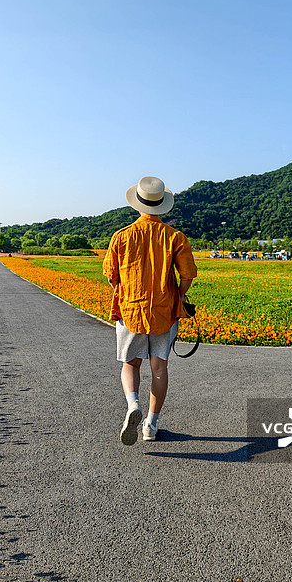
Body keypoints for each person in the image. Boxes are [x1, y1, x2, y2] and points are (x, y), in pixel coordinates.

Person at [103, 176, 198, 445]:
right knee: (159, 367)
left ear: (137, 204)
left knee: (130, 364)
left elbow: (112, 276)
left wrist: (125, 290)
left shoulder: (121, 236)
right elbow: (188, 275)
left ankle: (133, 405)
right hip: (164, 311)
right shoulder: (175, 237)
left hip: (129, 309)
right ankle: (151, 426)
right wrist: (177, 295)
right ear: (162, 206)